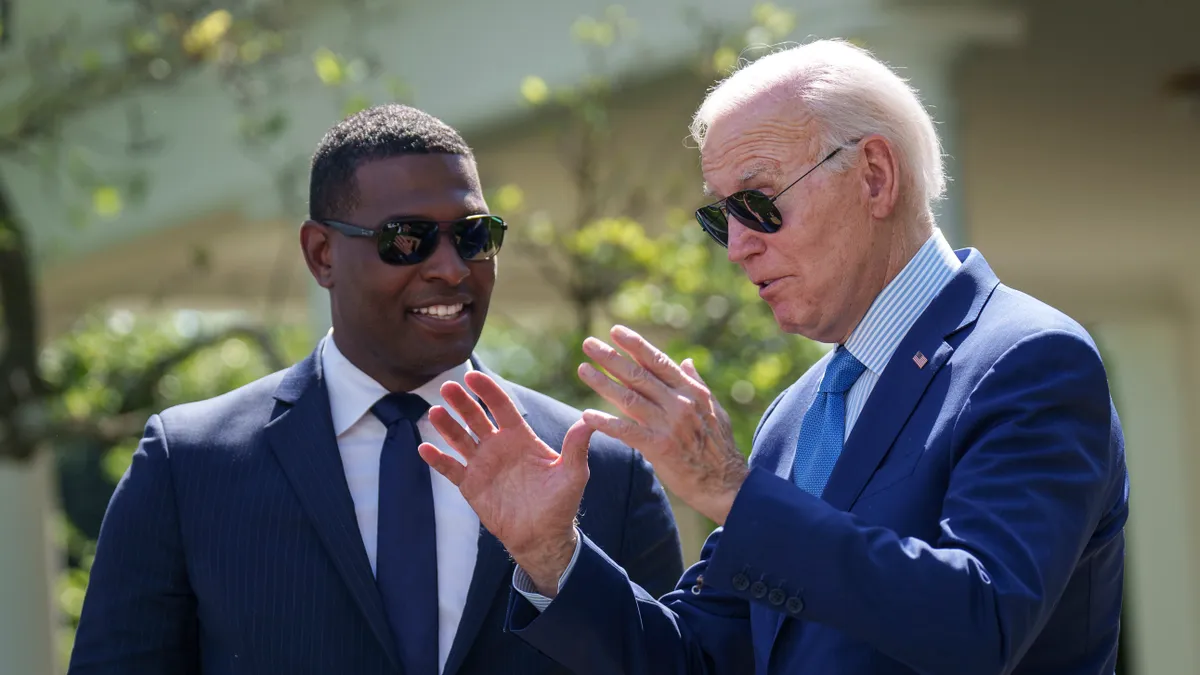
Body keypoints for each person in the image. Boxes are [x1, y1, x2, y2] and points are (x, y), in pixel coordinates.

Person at [417, 39, 1130, 675]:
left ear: (875, 175)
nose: (736, 245)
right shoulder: (798, 412)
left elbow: (982, 624)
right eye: (718, 216)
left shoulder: (1027, 358)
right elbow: (701, 656)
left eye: (757, 203)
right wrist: (552, 553)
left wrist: (732, 488)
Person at [68, 104, 684, 675]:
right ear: (321, 254)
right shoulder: (190, 465)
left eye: (474, 236)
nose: (451, 267)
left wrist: (557, 558)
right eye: (407, 239)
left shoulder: (603, 471)